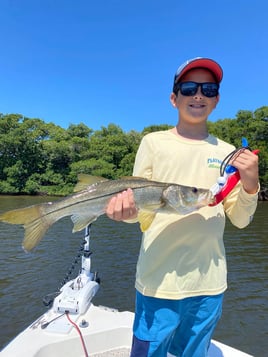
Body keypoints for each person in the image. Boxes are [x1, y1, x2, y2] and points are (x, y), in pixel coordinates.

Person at [106, 57, 259, 357]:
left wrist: (251, 182)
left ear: (216, 99)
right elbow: (140, 212)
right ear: (174, 99)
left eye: (208, 88)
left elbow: (240, 218)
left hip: (209, 284)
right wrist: (122, 212)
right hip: (158, 281)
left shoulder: (230, 153)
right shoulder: (153, 143)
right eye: (188, 88)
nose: (198, 95)